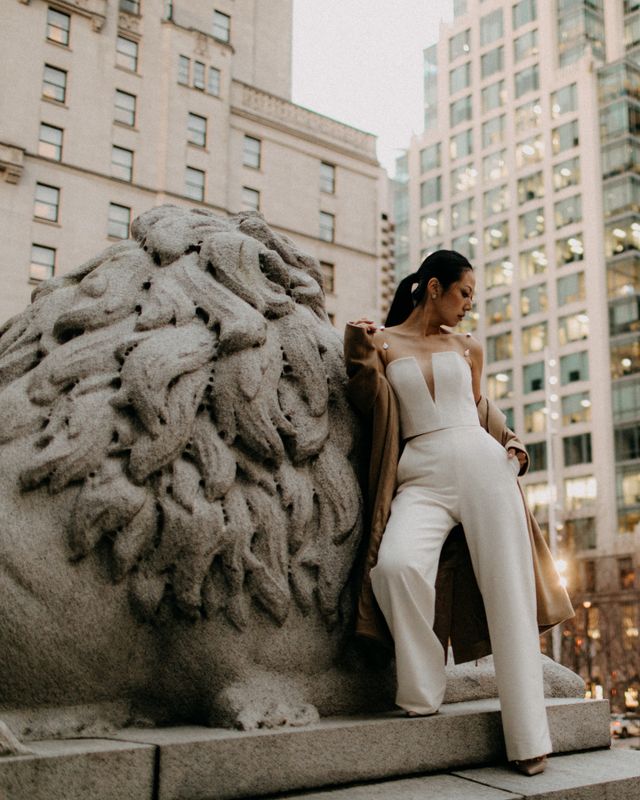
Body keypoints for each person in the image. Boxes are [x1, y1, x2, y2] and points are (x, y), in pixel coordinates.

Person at [343, 250, 574, 776]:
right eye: (464, 292)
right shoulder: (380, 341)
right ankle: (423, 689)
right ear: (432, 287)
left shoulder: (468, 347)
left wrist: (511, 444)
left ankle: (529, 740)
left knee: (508, 594)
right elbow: (365, 401)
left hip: (483, 466)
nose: (470, 304)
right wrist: (357, 347)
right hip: (419, 471)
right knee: (395, 567)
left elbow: (480, 410)